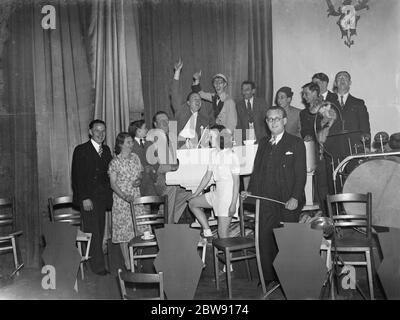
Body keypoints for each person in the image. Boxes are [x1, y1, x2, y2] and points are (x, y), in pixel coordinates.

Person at [242, 106, 306, 290]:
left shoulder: (295, 142)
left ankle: (288, 278)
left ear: (285, 120)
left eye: (277, 118)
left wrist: (294, 197)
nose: (273, 122)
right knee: (265, 239)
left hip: (287, 202)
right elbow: (257, 172)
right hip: (265, 200)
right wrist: (250, 191)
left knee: (286, 241)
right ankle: (269, 277)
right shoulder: (263, 143)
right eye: (269, 119)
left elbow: (300, 174)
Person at [71, 119, 112, 275]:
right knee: (93, 232)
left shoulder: (106, 150)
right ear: (90, 132)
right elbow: (77, 177)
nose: (100, 134)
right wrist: (84, 198)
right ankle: (98, 266)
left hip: (101, 199)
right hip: (88, 199)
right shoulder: (81, 150)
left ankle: (95, 263)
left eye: (103, 131)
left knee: (100, 231)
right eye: (97, 130)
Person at [188, 125, 240, 240]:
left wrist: (233, 204)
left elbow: (236, 183)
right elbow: (207, 176)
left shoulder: (231, 155)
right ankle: (207, 231)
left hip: (227, 197)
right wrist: (196, 193)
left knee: (222, 233)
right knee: (192, 203)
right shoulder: (213, 154)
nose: (209, 139)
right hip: (217, 194)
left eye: (211, 136)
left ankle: (227, 257)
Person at [108, 132, 149, 271]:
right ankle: (127, 261)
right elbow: (113, 184)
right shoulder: (115, 162)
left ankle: (135, 258)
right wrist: (124, 196)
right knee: (124, 232)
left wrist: (139, 179)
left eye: (132, 142)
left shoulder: (135, 158)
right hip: (122, 200)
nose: (132, 145)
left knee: (139, 229)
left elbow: (141, 173)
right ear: (121, 144)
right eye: (128, 142)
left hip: (136, 197)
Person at [148, 111, 192, 223]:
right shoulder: (151, 139)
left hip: (174, 178)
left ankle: (166, 216)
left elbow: (179, 157)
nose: (165, 123)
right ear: (155, 124)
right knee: (171, 189)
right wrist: (172, 167)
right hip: (159, 180)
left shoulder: (172, 138)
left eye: (166, 120)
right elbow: (155, 166)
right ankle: (169, 225)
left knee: (190, 191)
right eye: (161, 121)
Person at [325, 71, 371, 165]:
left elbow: (365, 127)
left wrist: (366, 146)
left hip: (355, 148)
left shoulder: (359, 103)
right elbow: (321, 127)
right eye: (339, 78)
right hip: (332, 150)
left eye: (345, 77)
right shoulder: (326, 103)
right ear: (335, 83)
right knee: (335, 178)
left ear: (350, 83)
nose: (342, 79)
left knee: (355, 177)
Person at [171, 59, 215, 148]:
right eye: (195, 99)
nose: (198, 101)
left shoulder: (204, 119)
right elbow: (175, 93)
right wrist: (177, 72)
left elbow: (204, 143)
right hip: (179, 150)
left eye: (199, 99)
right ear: (188, 103)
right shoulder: (181, 111)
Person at [128, 120, 157, 196]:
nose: (147, 130)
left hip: (152, 175)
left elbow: (156, 160)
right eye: (145, 128)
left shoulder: (150, 143)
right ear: (138, 131)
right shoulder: (130, 145)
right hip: (139, 177)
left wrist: (152, 168)